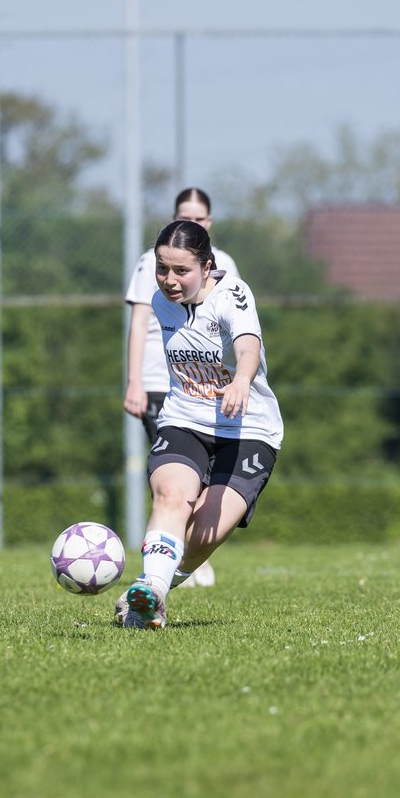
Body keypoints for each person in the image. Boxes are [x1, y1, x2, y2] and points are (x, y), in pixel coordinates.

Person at [116, 219, 283, 629]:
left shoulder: (234, 295)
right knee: (172, 495)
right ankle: (150, 594)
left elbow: (248, 346)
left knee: (204, 535)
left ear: (207, 266)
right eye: (162, 268)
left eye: (181, 271)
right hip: (185, 420)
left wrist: (242, 380)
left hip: (247, 430)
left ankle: (148, 589)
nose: (169, 280)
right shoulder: (160, 302)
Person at [123, 187, 240, 589]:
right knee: (173, 479)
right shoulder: (150, 263)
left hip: (213, 387)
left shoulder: (225, 266)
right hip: (163, 381)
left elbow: (239, 327)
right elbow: (139, 321)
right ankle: (167, 560)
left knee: (207, 482)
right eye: (184, 215)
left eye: (200, 218)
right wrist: (135, 380)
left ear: (209, 223)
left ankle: (186, 556)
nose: (193, 222)